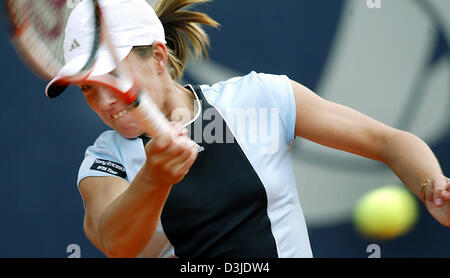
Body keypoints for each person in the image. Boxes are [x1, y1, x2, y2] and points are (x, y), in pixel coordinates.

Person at [46, 0, 450, 258]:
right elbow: (116, 244)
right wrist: (153, 179)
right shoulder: (105, 160)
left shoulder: (260, 97)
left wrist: (432, 186)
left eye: (111, 78)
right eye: (87, 90)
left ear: (156, 57)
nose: (104, 101)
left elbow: (388, 141)